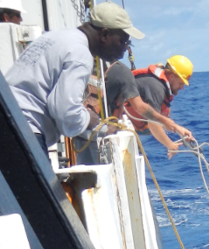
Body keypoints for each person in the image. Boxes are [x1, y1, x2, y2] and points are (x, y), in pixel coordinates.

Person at [5, 1, 143, 154]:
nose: (125, 49)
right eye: (123, 41)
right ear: (104, 34)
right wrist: (90, 119)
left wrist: (100, 129)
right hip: (22, 131)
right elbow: (65, 112)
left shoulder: (55, 37)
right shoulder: (80, 54)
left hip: (8, 120)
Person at [105, 59, 193, 156]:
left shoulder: (157, 84)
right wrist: (170, 145)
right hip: (109, 121)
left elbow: (156, 118)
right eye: (181, 83)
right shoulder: (157, 88)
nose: (182, 88)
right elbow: (153, 124)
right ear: (172, 76)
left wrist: (177, 128)